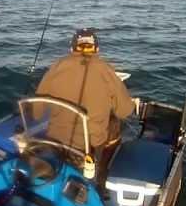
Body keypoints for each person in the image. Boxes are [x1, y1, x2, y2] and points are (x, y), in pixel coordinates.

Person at [35, 28, 137, 172]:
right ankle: (100, 174)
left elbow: (37, 111)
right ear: (97, 49)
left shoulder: (56, 67)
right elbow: (125, 111)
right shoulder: (106, 70)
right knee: (115, 124)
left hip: (56, 139)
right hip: (90, 146)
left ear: (71, 48)